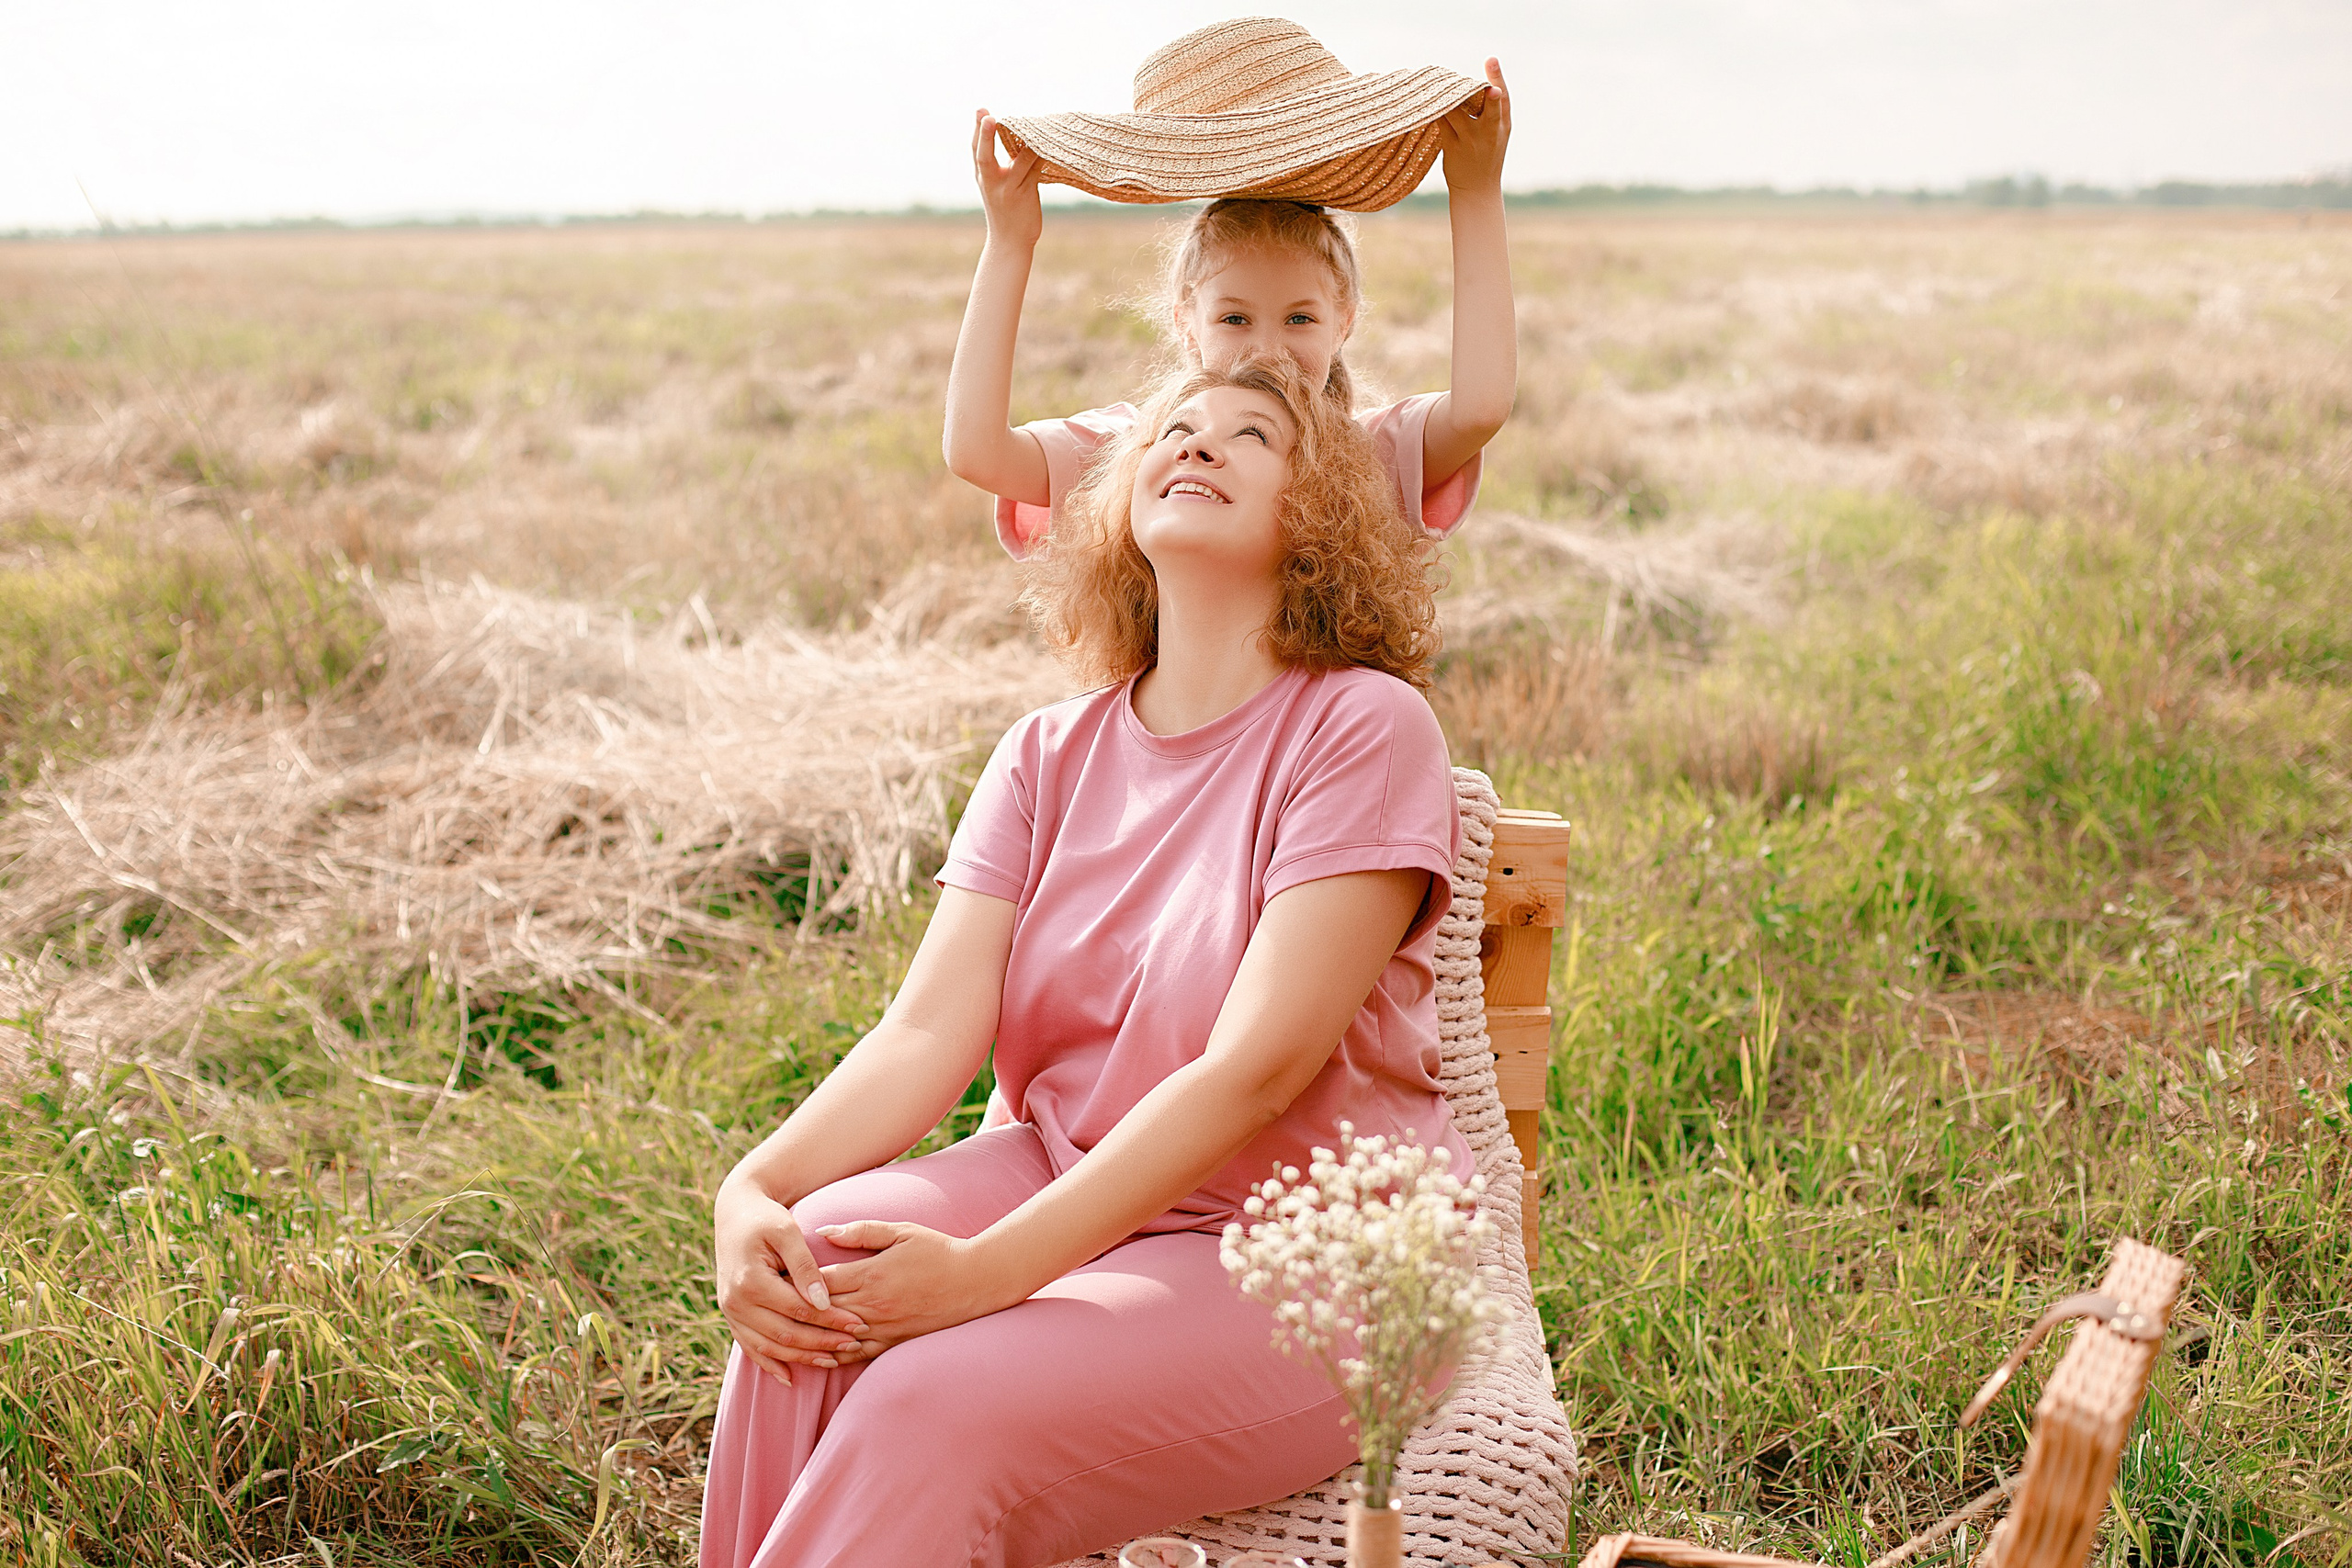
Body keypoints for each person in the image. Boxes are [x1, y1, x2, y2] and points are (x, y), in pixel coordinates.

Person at [698, 356, 1475, 1568]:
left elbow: (1255, 1070)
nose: (1200, 442)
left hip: (1308, 1250)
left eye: (1252, 435)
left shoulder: (1364, 726)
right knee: (821, 1264)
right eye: (1175, 426)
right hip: (1067, 1166)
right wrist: (753, 1186)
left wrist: (989, 1274)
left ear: (1320, 505)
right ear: (1120, 496)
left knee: (928, 1399)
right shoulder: (1044, 753)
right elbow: (923, 1035)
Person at [942, 19, 1517, 570]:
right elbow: (976, 451)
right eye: (1235, 319)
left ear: (1345, 321)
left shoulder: (1368, 456)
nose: (1266, 350)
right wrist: (1010, 243)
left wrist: (1474, 191)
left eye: (1300, 319)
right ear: (1185, 321)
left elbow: (1479, 410)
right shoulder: (1142, 459)